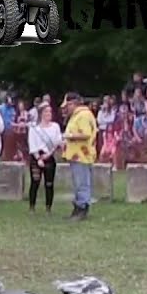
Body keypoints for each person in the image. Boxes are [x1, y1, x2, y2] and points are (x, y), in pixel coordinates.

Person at [61, 92, 98, 221]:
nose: (66, 109)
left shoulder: (83, 115)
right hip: (77, 155)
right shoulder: (77, 115)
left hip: (82, 155)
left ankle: (82, 208)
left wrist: (69, 136)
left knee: (82, 183)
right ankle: (78, 208)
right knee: (78, 182)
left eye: (67, 105)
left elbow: (86, 134)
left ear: (73, 104)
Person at [27, 104, 63, 213]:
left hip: (49, 156)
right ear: (41, 113)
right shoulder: (34, 129)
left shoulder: (55, 126)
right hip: (36, 157)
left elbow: (57, 142)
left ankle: (48, 208)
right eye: (46, 112)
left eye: (50, 112)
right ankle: (32, 206)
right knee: (35, 182)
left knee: (49, 183)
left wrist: (48, 155)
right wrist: (39, 158)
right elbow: (32, 144)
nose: (49, 114)